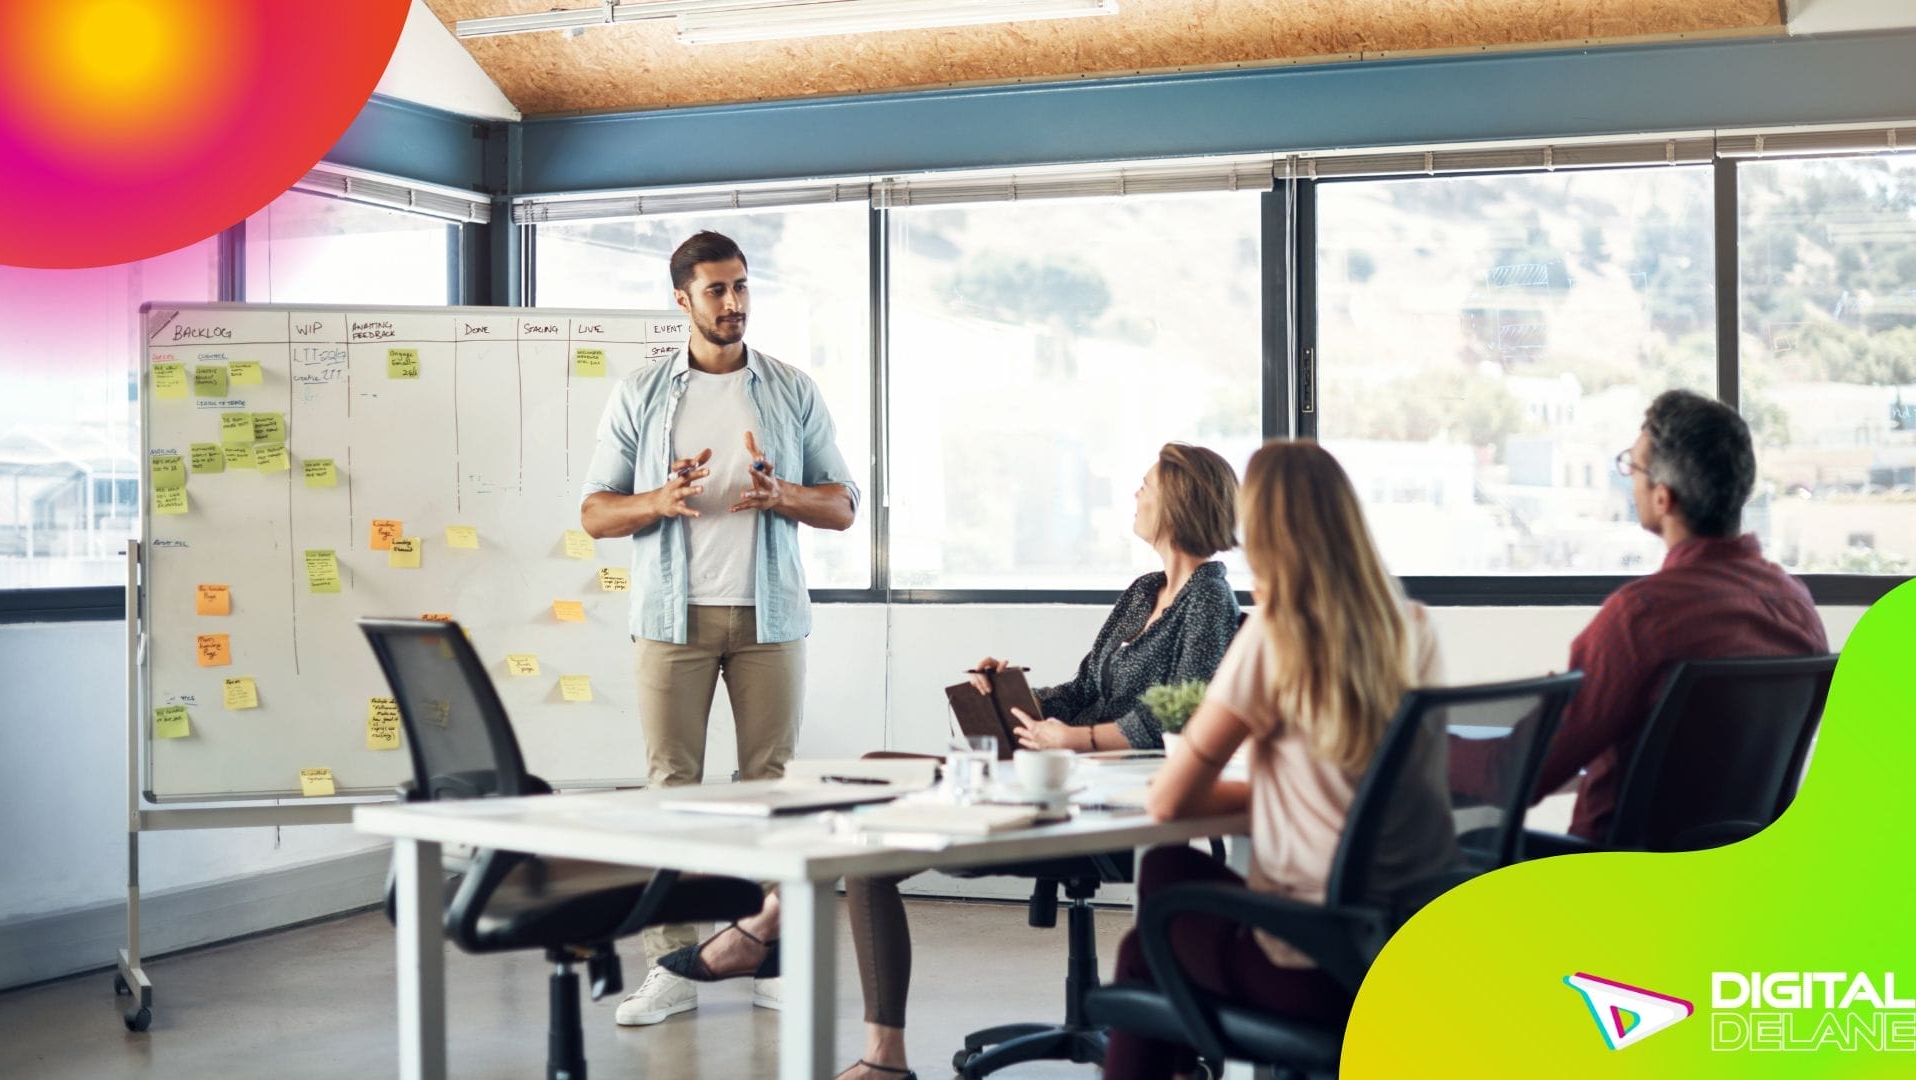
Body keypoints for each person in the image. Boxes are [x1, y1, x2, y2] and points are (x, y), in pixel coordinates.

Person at [656, 442, 1244, 1080]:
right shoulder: (1143, 591)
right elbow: (1082, 693)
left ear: (1181, 499)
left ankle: (765, 929)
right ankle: (879, 1051)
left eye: (1146, 485)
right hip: (1052, 777)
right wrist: (1013, 689)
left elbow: (1184, 719)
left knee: (877, 817)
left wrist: (1078, 741)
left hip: (1105, 806)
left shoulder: (1208, 600)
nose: (1136, 494)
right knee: (872, 817)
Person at [578, 230, 860, 1027]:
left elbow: (842, 505)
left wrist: (783, 497)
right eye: (716, 291)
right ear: (682, 300)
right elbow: (597, 511)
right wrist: (657, 503)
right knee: (671, 790)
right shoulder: (640, 392)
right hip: (672, 619)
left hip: (770, 616)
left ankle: (768, 950)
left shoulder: (791, 389)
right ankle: (673, 963)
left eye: (741, 287)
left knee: (770, 787)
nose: (733, 304)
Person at [1103, 439, 1452, 1079]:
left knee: (1151, 927)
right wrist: (1287, 796)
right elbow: (1372, 781)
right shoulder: (1414, 625)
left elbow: (1168, 801)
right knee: (1170, 881)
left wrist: (1268, 798)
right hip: (1411, 949)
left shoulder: (1276, 632)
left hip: (1313, 966)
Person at [1449, 389, 1828, 840]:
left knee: (1467, 846)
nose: (1629, 479)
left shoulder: (1643, 617)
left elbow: (1518, 775)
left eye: (1634, 466)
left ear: (1663, 498)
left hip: (1610, 886)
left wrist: (1418, 748)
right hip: (1727, 885)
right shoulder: (1796, 606)